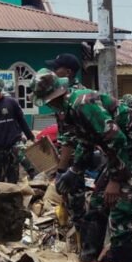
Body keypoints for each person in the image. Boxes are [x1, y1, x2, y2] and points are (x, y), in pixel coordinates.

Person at [30, 69, 132, 262]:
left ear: (52, 98)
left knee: (119, 219)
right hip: (119, 156)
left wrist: (115, 180)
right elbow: (86, 142)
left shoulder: (83, 104)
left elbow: (117, 140)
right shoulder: (70, 109)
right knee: (97, 206)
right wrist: (74, 170)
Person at [45, 54, 88, 233]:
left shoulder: (72, 95)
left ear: (68, 72)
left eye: (57, 68)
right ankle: (76, 232)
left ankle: (82, 240)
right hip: (75, 152)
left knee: (75, 197)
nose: (54, 72)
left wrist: (62, 169)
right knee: (70, 198)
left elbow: (71, 137)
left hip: (78, 153)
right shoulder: (64, 92)